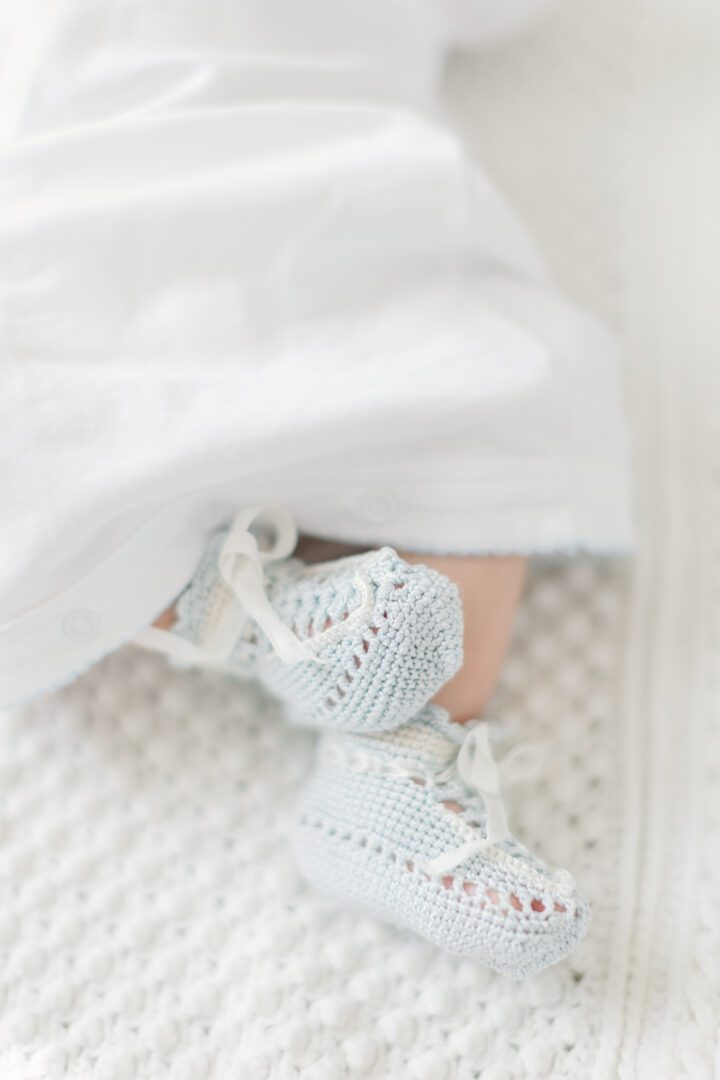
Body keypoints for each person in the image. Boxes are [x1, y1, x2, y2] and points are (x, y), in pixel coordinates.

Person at [0, 0, 632, 977]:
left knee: (486, 386)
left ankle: (397, 770)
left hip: (339, 196)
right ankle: (251, 615)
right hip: (91, 200)